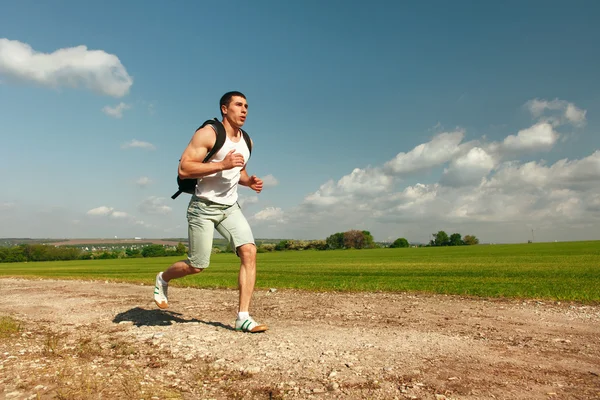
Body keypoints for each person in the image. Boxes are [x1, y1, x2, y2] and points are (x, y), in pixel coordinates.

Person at [154, 91, 267, 333]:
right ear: (225, 109)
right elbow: (184, 169)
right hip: (202, 208)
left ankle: (243, 317)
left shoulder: (248, 141)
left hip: (230, 207)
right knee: (197, 265)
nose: (244, 109)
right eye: (238, 105)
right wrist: (222, 164)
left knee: (249, 252)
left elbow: (239, 172)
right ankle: (163, 278)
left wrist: (249, 181)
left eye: (246, 105)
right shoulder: (209, 133)